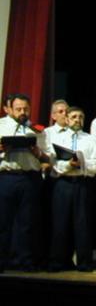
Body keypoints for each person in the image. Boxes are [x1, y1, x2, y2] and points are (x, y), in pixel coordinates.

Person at [48, 106, 96, 272]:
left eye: (80, 117)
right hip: (63, 183)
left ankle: (84, 262)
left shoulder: (91, 139)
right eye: (73, 117)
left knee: (83, 223)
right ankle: (59, 262)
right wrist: (68, 165)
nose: (77, 120)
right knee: (60, 223)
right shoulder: (59, 139)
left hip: (83, 182)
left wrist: (82, 164)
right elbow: (53, 163)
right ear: (66, 119)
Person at [0, 94, 51, 272]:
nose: (23, 112)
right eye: (18, 109)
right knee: (3, 221)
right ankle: (2, 261)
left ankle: (25, 261)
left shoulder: (37, 129)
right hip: (6, 177)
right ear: (8, 109)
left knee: (27, 222)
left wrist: (38, 153)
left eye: (26, 109)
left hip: (30, 178)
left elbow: (49, 156)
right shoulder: (1, 126)